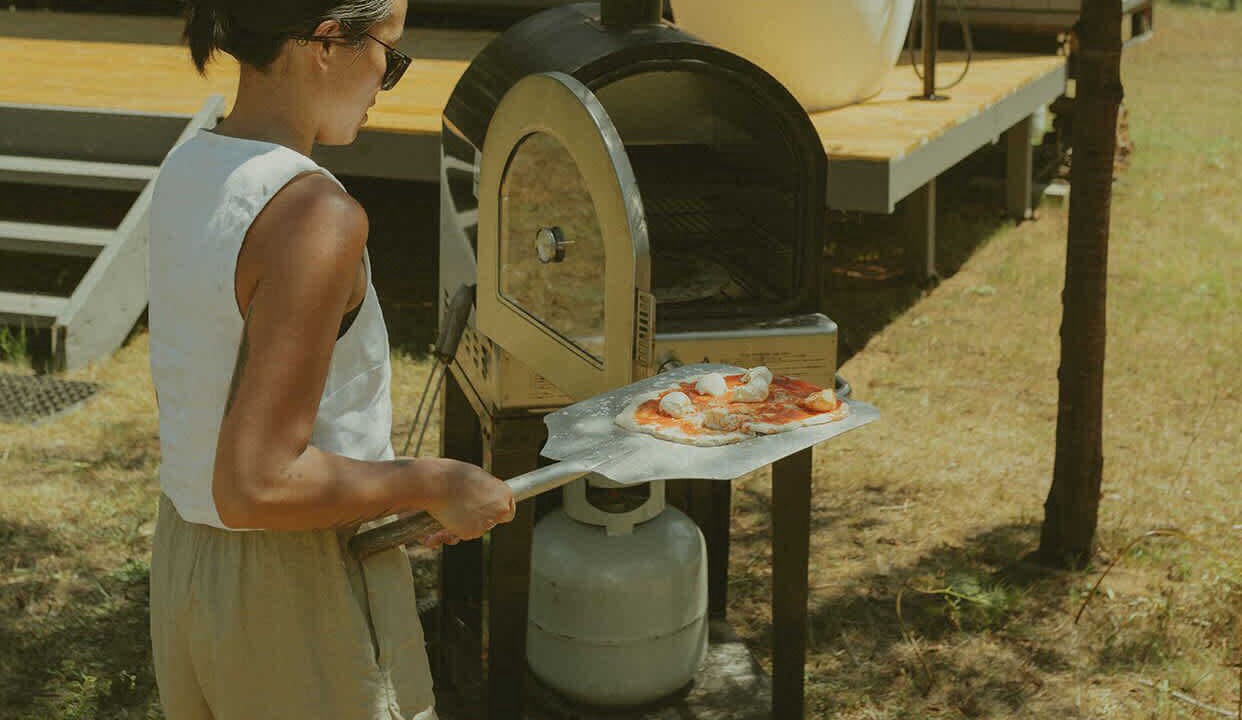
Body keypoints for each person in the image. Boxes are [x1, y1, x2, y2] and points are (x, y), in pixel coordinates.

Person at [146, 1, 515, 717]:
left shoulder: (190, 161)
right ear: (326, 44)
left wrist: (399, 494)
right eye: (392, 53)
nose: (389, 78)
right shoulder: (316, 216)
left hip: (189, 565)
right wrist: (435, 477)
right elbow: (258, 484)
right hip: (299, 584)